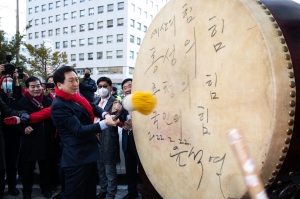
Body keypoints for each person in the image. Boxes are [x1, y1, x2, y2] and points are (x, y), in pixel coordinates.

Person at [51, 66, 119, 199]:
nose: (76, 84)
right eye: (71, 81)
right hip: (76, 159)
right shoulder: (59, 105)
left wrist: (105, 114)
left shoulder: (75, 96)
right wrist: (105, 123)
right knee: (73, 195)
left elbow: (92, 106)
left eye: (77, 79)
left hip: (88, 155)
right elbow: (79, 130)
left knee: (89, 193)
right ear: (59, 85)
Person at [15, 76, 54, 199]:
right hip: (30, 141)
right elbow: (16, 122)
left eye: (38, 86)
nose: (36, 89)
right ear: (28, 88)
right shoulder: (21, 103)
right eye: (33, 86)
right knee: (28, 171)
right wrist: (23, 129)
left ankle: (45, 189)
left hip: (46, 140)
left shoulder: (48, 101)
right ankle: (27, 192)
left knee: (45, 168)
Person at [94, 77, 123, 199]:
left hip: (109, 140)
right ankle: (103, 190)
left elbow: (118, 119)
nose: (102, 89)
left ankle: (111, 194)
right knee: (100, 168)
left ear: (110, 87)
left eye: (105, 86)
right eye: (100, 86)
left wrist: (116, 111)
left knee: (109, 170)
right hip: (96, 139)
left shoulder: (115, 102)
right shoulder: (95, 101)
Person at [0, 71, 23, 196]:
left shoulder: (15, 96)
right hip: (2, 133)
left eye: (9, 81)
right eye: (5, 81)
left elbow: (20, 98)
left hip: (15, 132)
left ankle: (12, 186)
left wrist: (16, 79)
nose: (7, 83)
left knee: (12, 162)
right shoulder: (1, 96)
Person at [121, 78, 139, 199]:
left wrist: (136, 121)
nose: (127, 89)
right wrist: (123, 123)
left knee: (144, 171)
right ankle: (132, 192)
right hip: (127, 139)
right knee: (130, 169)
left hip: (140, 141)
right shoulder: (122, 103)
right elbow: (120, 119)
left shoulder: (142, 101)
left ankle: (146, 193)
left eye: (129, 86)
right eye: (125, 88)